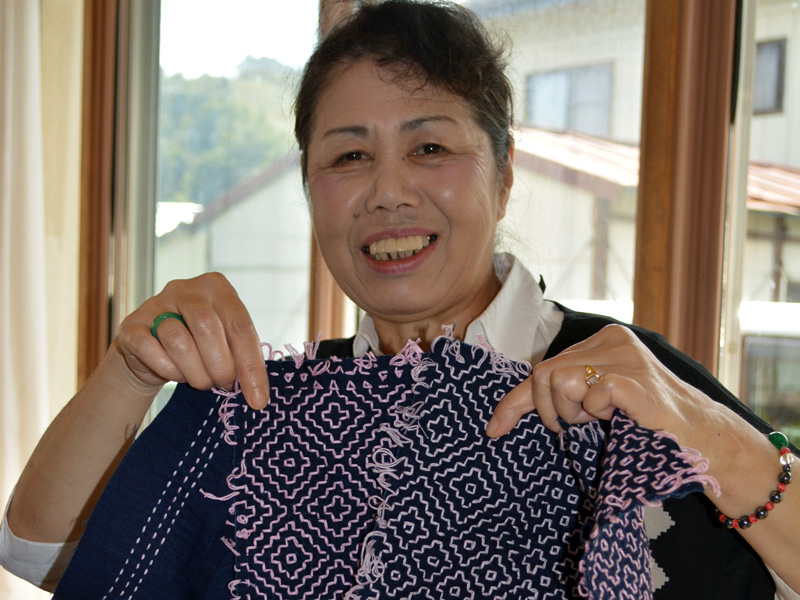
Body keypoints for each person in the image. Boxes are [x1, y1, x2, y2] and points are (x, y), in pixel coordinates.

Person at [1, 0, 798, 597]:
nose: (388, 191)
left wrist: (715, 441)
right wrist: (131, 370)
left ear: (504, 175)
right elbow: (39, 552)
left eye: (430, 146)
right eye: (348, 157)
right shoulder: (279, 413)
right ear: (310, 189)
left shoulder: (626, 378)